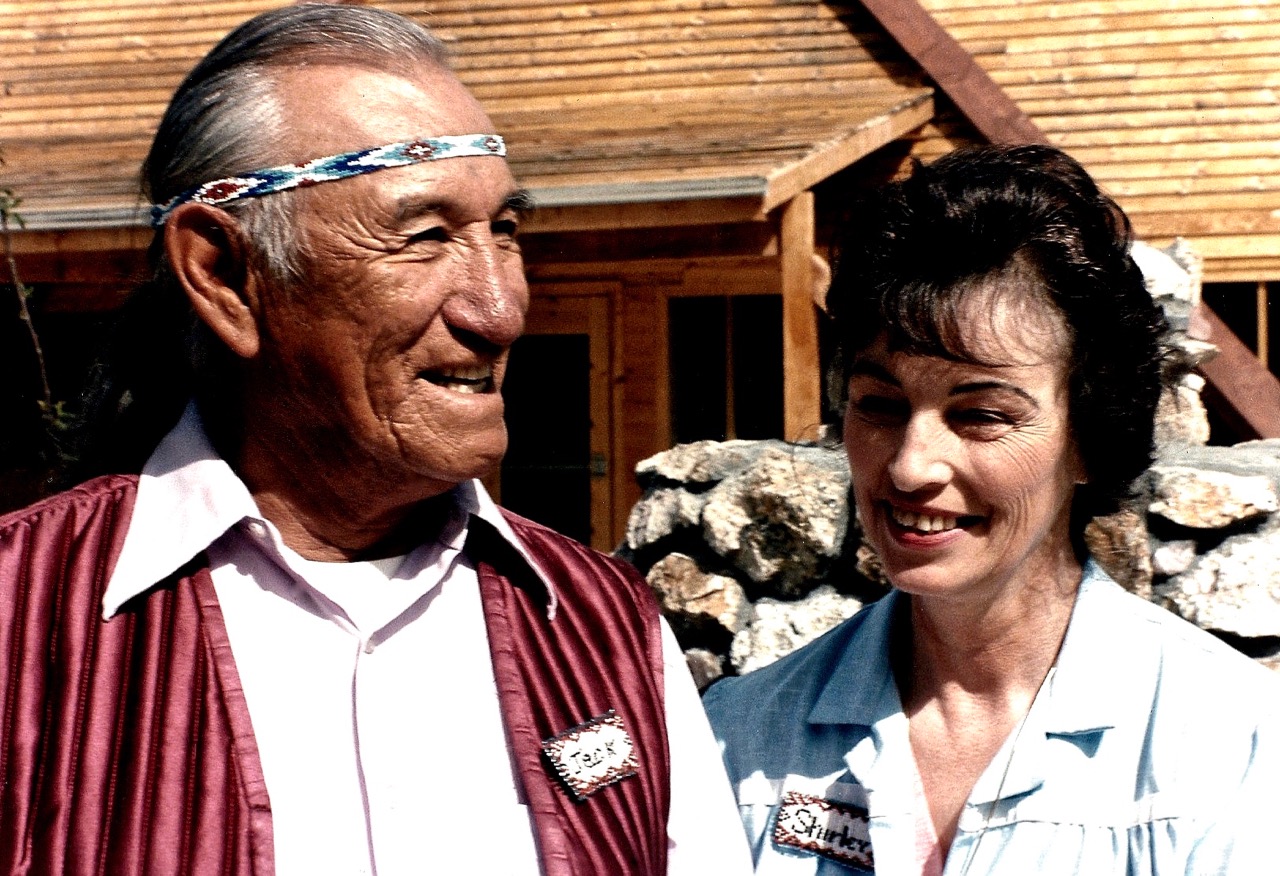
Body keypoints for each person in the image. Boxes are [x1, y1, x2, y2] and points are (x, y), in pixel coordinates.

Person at [0, 5, 753, 875]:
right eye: (424, 237)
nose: (499, 311)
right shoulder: (28, 620)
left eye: (503, 233)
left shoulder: (599, 625)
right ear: (225, 276)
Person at [703, 144, 1280, 874]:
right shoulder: (740, 739)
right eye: (880, 404)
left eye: (980, 415)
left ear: (1090, 437)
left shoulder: (1232, 748)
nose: (911, 465)